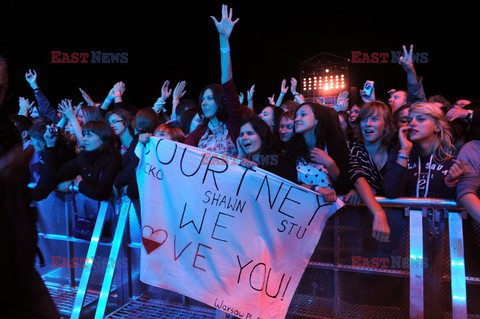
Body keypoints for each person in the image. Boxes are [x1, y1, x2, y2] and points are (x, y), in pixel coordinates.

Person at [43, 121, 122, 239]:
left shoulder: (114, 158)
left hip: (113, 221)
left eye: (89, 135)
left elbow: (101, 192)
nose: (84, 139)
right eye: (84, 135)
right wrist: (50, 146)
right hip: (89, 220)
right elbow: (54, 175)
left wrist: (80, 184)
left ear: (103, 137)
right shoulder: (84, 156)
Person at [184, 4, 243, 156]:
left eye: (210, 98)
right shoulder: (200, 131)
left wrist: (223, 39)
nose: (203, 103)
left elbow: (227, 83)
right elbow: (182, 152)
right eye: (203, 99)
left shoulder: (233, 122)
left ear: (220, 100)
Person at [383, 102, 458, 199]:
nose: (412, 124)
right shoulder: (399, 151)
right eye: (409, 120)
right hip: (404, 214)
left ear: (437, 126)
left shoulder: (450, 156)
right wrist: (405, 151)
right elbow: (391, 192)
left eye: (420, 119)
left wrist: (449, 183)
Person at [347, 101, 394, 242]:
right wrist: (378, 212)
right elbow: (357, 176)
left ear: (385, 125)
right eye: (364, 119)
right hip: (357, 225)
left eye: (374, 119)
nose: (368, 124)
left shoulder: (393, 152)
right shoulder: (351, 148)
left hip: (394, 223)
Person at [286, 102, 351, 201]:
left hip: (332, 210)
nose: (297, 119)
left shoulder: (334, 146)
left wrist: (330, 164)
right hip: (301, 207)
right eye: (296, 116)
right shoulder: (292, 147)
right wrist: (316, 188)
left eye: (303, 115)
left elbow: (344, 187)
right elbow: (288, 182)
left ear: (317, 119)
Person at [236, 116, 296, 182]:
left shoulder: (280, 162)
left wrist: (257, 169)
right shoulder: (244, 159)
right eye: (241, 134)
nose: (244, 137)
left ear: (262, 136)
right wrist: (240, 155)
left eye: (250, 133)